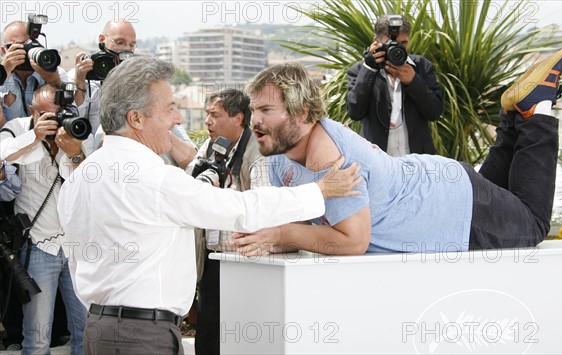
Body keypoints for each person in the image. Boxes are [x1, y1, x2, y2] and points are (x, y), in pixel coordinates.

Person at [56, 56, 361, 355]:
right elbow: (241, 209)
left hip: (98, 329)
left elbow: (77, 261)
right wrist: (319, 192)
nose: (178, 119)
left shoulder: (78, 178)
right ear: (136, 118)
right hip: (144, 337)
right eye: (170, 108)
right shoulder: (155, 180)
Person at [230, 48, 562, 256]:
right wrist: (269, 238)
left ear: (302, 112)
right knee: (508, 199)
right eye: (253, 109)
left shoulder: (326, 154)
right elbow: (306, 230)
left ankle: (537, 109)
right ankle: (512, 115)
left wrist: (282, 233)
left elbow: (353, 241)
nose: (254, 121)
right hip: (448, 189)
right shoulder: (278, 158)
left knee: (533, 224)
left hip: (455, 213)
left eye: (266, 111)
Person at [0, 84, 92, 355]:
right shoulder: (17, 128)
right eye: (47, 115)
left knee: (85, 329)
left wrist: (73, 149)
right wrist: (34, 136)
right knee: (38, 335)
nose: (55, 120)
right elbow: (3, 154)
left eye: (59, 113)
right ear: (32, 110)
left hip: (75, 245)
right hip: (39, 245)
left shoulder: (75, 127)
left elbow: (89, 179)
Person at [187, 89, 269, 355]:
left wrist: (219, 193)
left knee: (242, 331)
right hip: (213, 256)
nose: (207, 122)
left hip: (244, 258)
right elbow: (192, 182)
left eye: (215, 115)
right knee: (209, 331)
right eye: (206, 115)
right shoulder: (211, 146)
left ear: (238, 119)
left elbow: (261, 206)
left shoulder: (258, 151)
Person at [71, 18, 196, 166]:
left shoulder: (143, 81)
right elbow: (73, 120)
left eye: (131, 45)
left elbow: (191, 157)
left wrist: (159, 132)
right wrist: (79, 80)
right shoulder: (83, 76)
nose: (125, 50)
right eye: (119, 42)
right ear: (102, 40)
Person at [347, 14, 443, 156]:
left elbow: (434, 112)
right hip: (377, 162)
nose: (398, 49)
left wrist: (414, 81)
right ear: (376, 41)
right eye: (391, 43)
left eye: (403, 43)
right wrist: (369, 69)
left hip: (417, 161)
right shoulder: (360, 70)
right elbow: (355, 112)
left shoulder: (422, 67)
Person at [0, 21, 69, 121]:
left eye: (31, 44)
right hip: (8, 135)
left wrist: (54, 80)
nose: (27, 50)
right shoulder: (2, 77)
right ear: (4, 51)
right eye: (20, 46)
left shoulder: (55, 72)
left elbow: (69, 107)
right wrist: (4, 72)